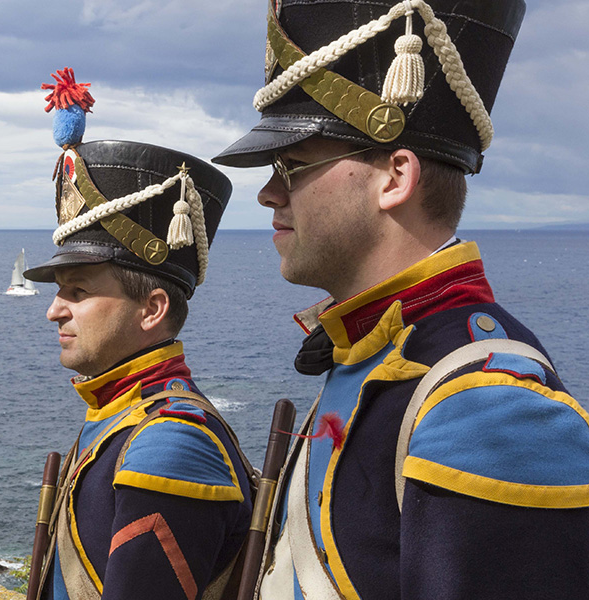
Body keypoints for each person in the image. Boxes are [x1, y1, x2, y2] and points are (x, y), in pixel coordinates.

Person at [212, 1, 589, 598]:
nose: (267, 193)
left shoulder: (488, 407)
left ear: (396, 177)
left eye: (293, 165)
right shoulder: (373, 356)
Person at [25, 68, 252, 600]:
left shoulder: (170, 443)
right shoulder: (123, 417)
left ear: (151, 309)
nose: (54, 311)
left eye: (77, 292)